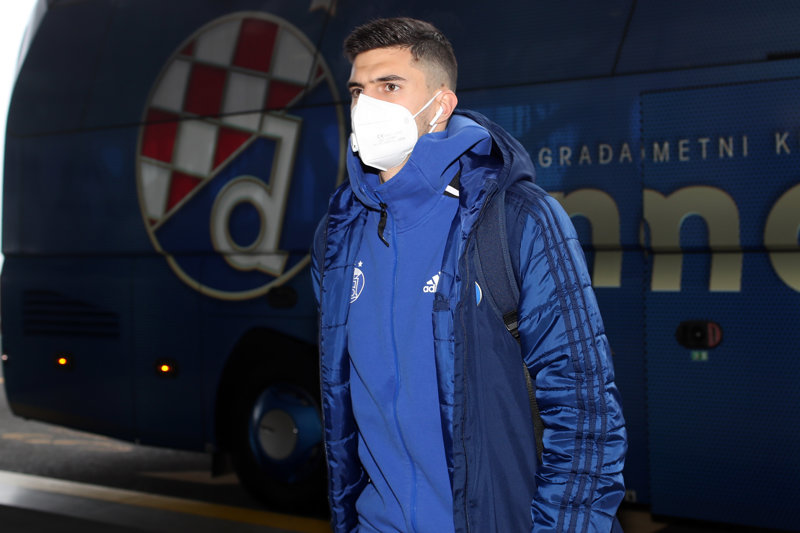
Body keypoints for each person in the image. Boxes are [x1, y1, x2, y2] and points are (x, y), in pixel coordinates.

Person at [312, 17, 626, 533]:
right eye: (357, 91)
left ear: (440, 106)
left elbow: (584, 409)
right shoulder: (338, 236)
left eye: (389, 86)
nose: (367, 106)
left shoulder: (519, 220)